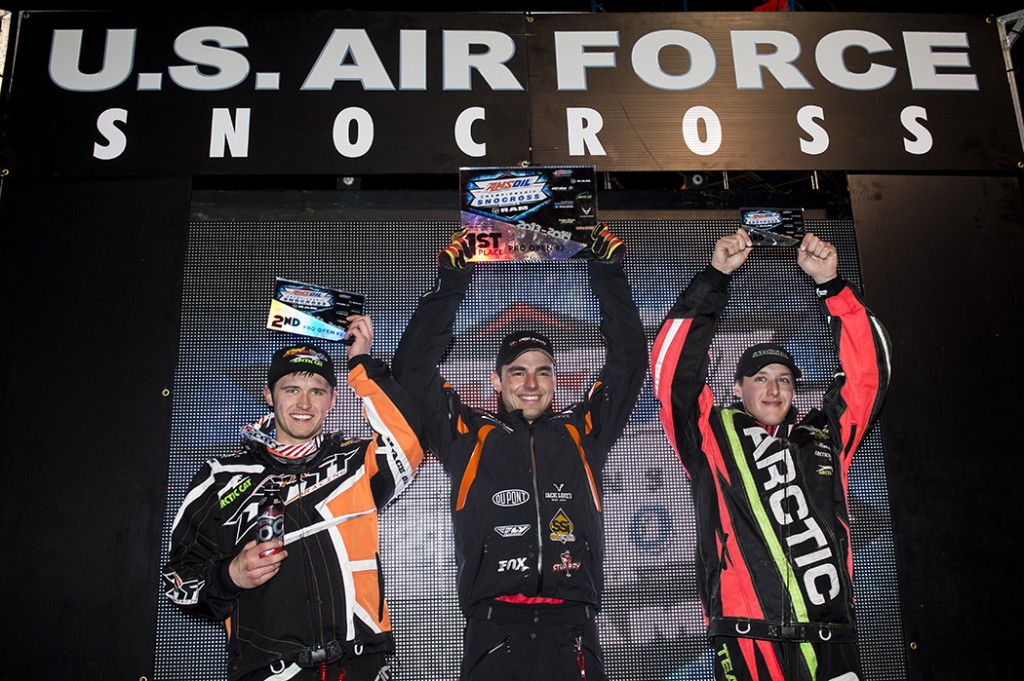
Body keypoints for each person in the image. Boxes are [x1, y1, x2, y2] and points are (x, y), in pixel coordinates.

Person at [392, 224, 647, 681]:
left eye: (543, 372)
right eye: (517, 372)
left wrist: (607, 274)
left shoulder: (582, 429)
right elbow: (412, 372)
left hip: (573, 630)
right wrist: (453, 282)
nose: (531, 384)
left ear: (556, 380)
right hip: (494, 632)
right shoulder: (468, 433)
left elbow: (628, 360)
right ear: (496, 381)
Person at [650, 229, 891, 681]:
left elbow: (869, 376)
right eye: (759, 378)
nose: (774, 388)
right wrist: (715, 278)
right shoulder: (709, 432)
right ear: (737, 387)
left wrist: (833, 286)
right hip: (747, 639)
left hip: (827, 637)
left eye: (783, 378)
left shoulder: (824, 432)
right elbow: (671, 369)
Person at [161, 315, 424, 681]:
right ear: (269, 394)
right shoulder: (220, 478)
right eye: (290, 389)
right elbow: (178, 579)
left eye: (317, 390)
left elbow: (408, 440)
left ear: (332, 399)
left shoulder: (355, 462)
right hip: (270, 671)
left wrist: (361, 363)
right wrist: (230, 574)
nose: (304, 403)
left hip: (360, 661)